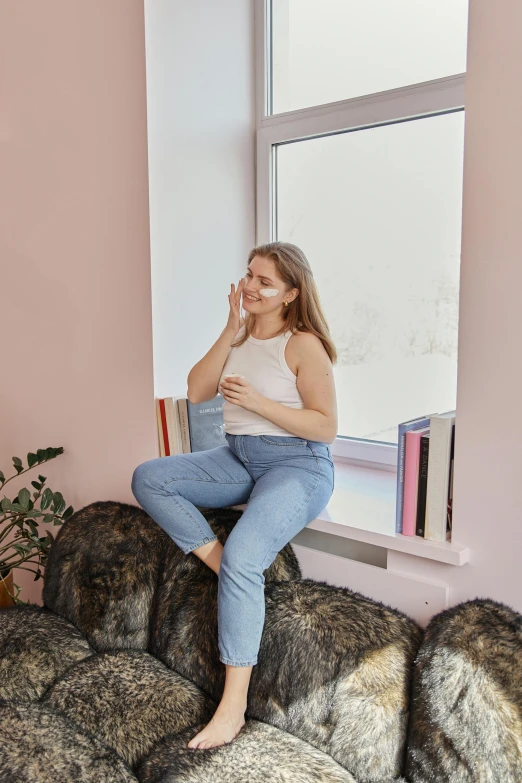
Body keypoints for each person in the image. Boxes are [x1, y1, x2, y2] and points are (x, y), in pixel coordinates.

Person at [131, 241, 338, 750]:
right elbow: (197, 390)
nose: (251, 286)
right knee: (149, 477)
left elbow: (326, 428)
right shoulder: (241, 334)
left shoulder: (302, 343)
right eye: (249, 275)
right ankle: (227, 566)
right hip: (239, 456)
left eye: (265, 282)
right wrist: (229, 327)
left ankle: (233, 708)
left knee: (250, 555)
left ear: (290, 293)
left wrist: (259, 403)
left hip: (297, 465)